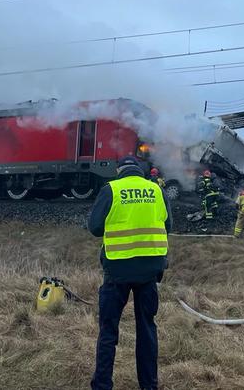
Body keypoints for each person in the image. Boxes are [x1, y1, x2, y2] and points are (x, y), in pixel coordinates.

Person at [88, 156, 173, 390]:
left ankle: (103, 384)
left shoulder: (111, 189)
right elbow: (168, 226)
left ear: (119, 170)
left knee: (108, 331)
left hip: (117, 271)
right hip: (149, 273)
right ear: (140, 171)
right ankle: (149, 385)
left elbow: (95, 228)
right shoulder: (156, 190)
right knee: (147, 329)